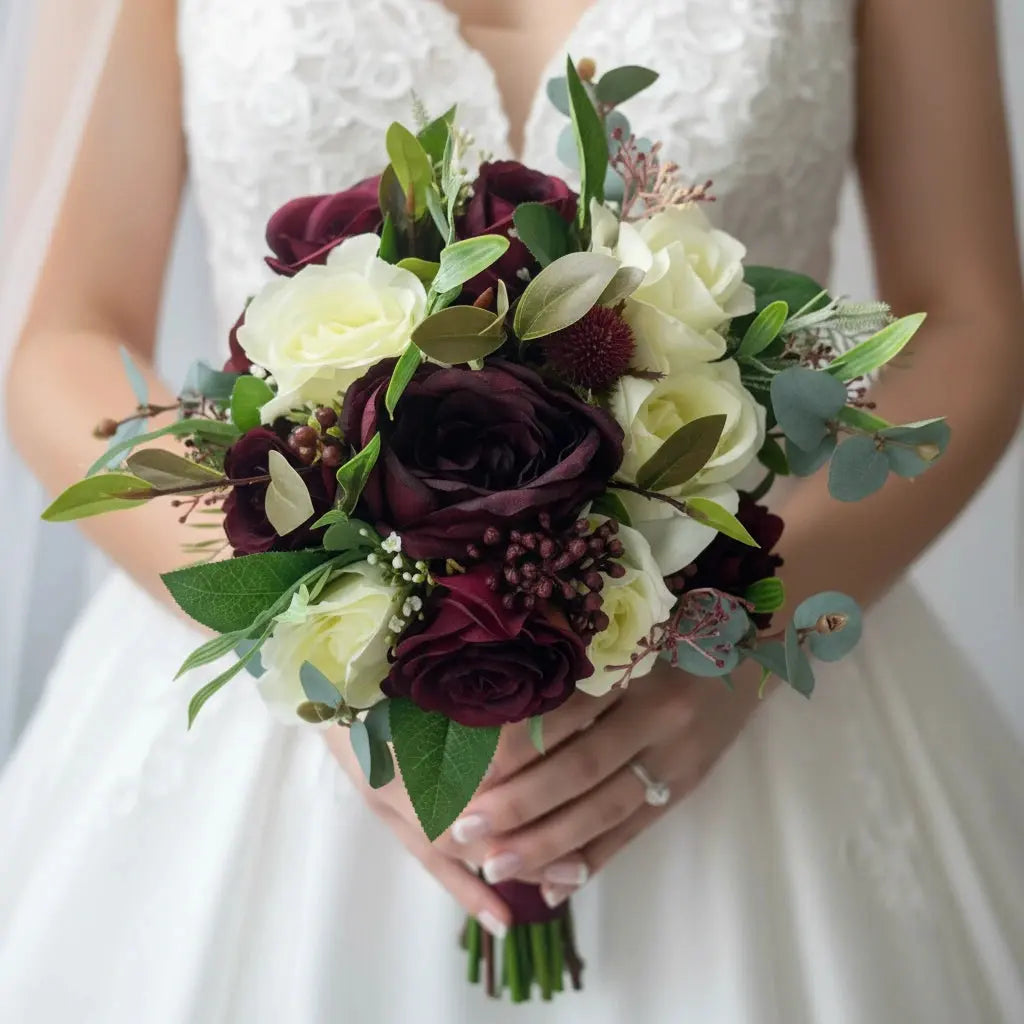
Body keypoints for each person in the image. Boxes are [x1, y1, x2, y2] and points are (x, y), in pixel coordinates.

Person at [2, 0, 1023, 1020]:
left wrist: (745, 636)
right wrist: (307, 641)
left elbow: (968, 319)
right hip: (280, 729)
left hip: (741, 687)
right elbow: (65, 338)